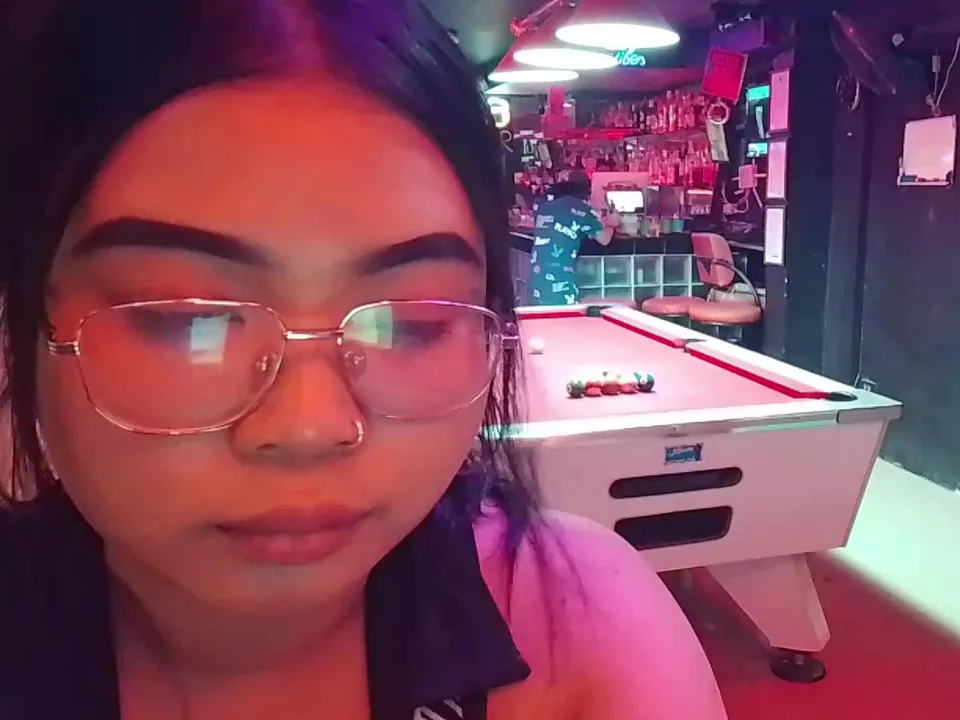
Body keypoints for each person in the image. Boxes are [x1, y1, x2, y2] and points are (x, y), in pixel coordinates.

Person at [0, 3, 726, 720]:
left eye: (408, 324)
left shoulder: (584, 626)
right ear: (23, 318)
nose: (310, 427)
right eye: (190, 320)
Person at [529, 178, 618, 306]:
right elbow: (604, 239)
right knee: (565, 315)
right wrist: (612, 224)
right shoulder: (581, 208)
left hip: (536, 278)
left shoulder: (542, 206)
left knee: (540, 315)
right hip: (561, 279)